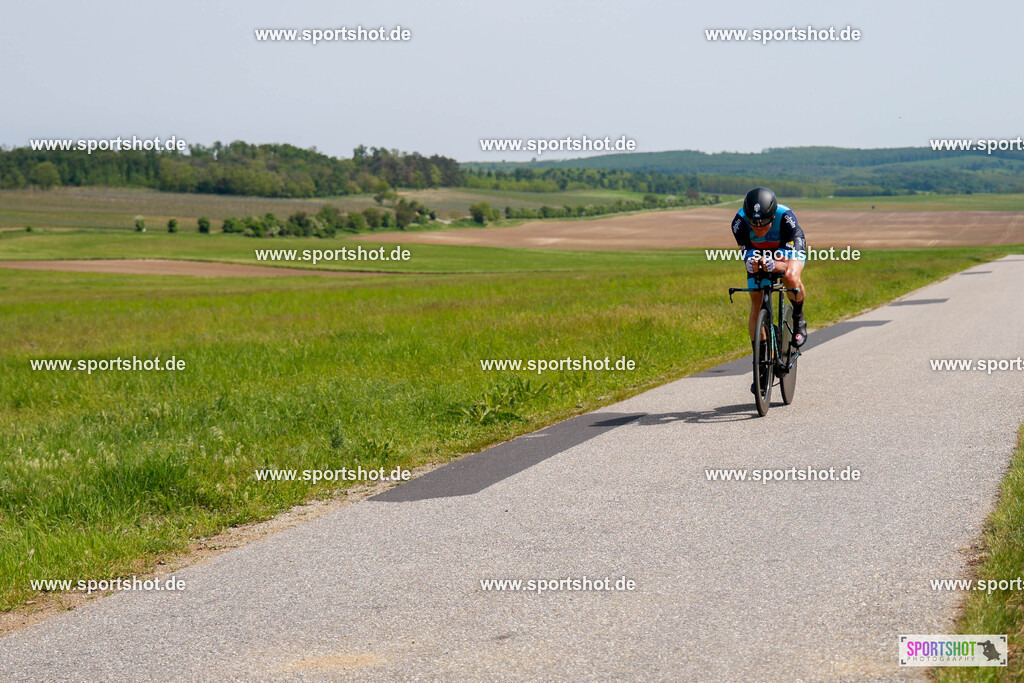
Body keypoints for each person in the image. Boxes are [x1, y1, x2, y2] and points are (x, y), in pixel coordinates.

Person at [731, 187, 807, 388]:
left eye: (763, 222)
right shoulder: (738, 223)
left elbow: (784, 260)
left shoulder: (786, 218)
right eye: (753, 222)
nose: (758, 227)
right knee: (756, 302)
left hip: (786, 245)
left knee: (790, 276)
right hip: (758, 250)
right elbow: (747, 251)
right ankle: (761, 365)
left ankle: (798, 317)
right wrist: (751, 262)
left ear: (772, 216)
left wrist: (775, 263)